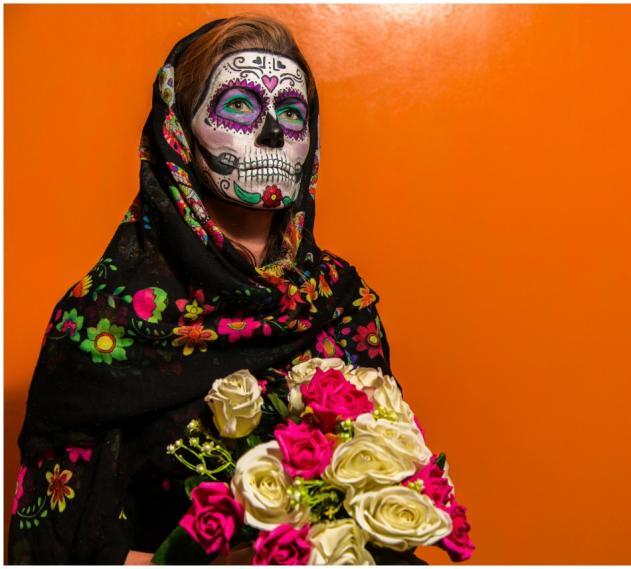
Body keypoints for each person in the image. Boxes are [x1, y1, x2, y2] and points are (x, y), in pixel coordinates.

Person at [7, 16, 425, 565]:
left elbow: (391, 496)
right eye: (239, 106)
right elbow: (56, 544)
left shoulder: (340, 301)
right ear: (177, 132)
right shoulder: (100, 320)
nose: (272, 134)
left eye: (292, 113)